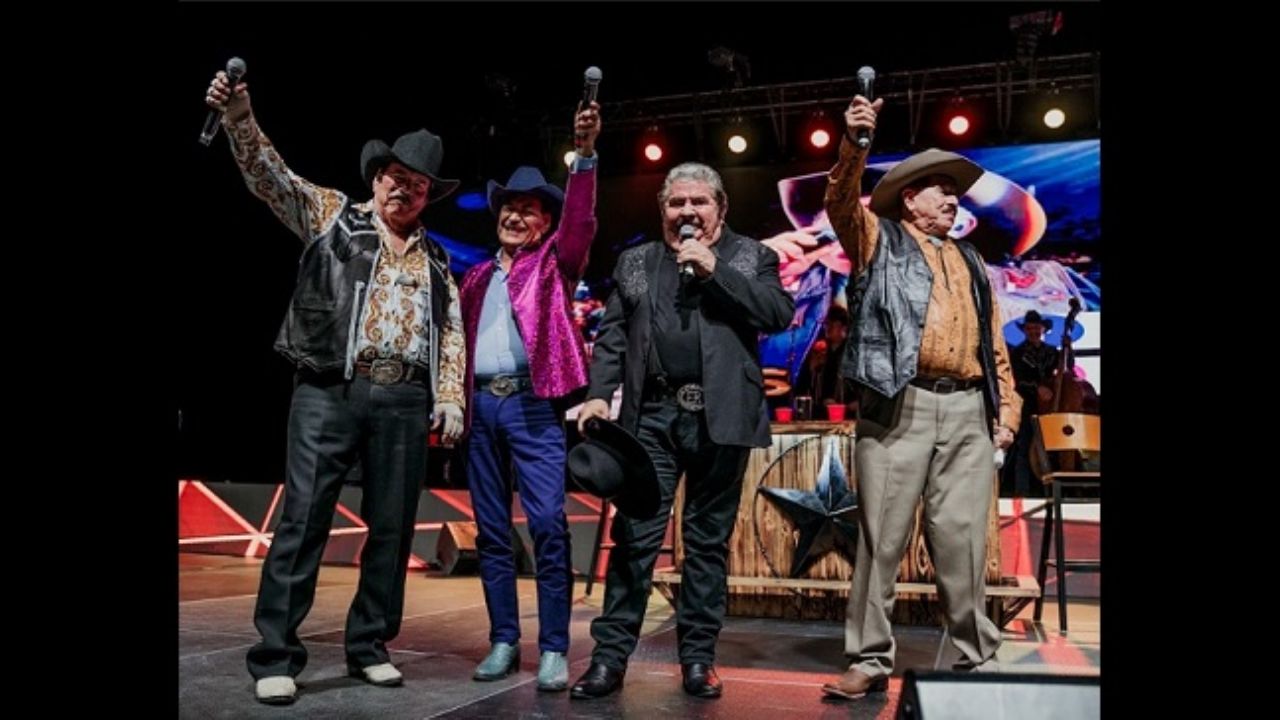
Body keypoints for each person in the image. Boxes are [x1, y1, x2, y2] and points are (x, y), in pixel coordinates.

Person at [204, 68, 467, 705]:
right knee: (303, 519)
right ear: (376, 178)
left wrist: (450, 395)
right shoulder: (333, 217)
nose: (405, 190)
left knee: (393, 527)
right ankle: (275, 655)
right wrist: (241, 119)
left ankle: (370, 646)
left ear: (428, 196)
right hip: (329, 387)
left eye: (418, 185)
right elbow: (273, 179)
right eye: (396, 177)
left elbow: (451, 330)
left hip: (404, 399)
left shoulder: (437, 259)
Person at [819, 94, 1021, 700]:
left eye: (955, 192)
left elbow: (992, 343)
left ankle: (976, 654)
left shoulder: (972, 260)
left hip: (966, 410)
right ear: (910, 199)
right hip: (898, 404)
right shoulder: (877, 239)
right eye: (940, 189)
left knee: (962, 540)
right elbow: (839, 203)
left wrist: (1006, 413)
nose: (953, 199)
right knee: (881, 539)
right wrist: (855, 143)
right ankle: (869, 659)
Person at [569, 162, 795, 700]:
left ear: (721, 208)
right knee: (635, 539)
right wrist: (599, 393)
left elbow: (777, 313)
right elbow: (614, 336)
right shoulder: (638, 262)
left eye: (699, 202)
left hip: (722, 417)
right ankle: (609, 660)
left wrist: (715, 270)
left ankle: (698, 659)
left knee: (706, 544)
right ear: (662, 210)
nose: (687, 212)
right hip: (651, 416)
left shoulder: (751, 256)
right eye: (676, 203)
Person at [458, 101, 602, 692]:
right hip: (481, 409)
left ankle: (554, 648)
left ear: (545, 223)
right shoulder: (474, 279)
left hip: (532, 405)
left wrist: (584, 156)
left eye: (529, 210)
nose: (515, 216)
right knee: (492, 530)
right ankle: (502, 640)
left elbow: (582, 224)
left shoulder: (554, 264)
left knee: (546, 523)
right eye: (509, 208)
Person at [1003, 310, 1059, 497]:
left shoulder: (1052, 352)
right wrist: (1037, 388)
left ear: (1043, 329)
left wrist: (1068, 350)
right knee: (1024, 445)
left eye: (1036, 328)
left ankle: (1053, 488)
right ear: (1025, 330)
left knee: (1053, 446)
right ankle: (1022, 490)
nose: (1033, 331)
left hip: (1050, 406)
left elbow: (1066, 370)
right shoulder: (1017, 353)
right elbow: (1018, 380)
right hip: (1026, 404)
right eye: (1029, 328)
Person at [793, 305, 857, 418]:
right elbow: (801, 388)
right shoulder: (817, 351)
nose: (828, 327)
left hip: (845, 414)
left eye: (833, 323)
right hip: (819, 414)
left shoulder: (853, 355)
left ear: (844, 328)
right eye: (826, 323)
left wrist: (851, 404)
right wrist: (810, 368)